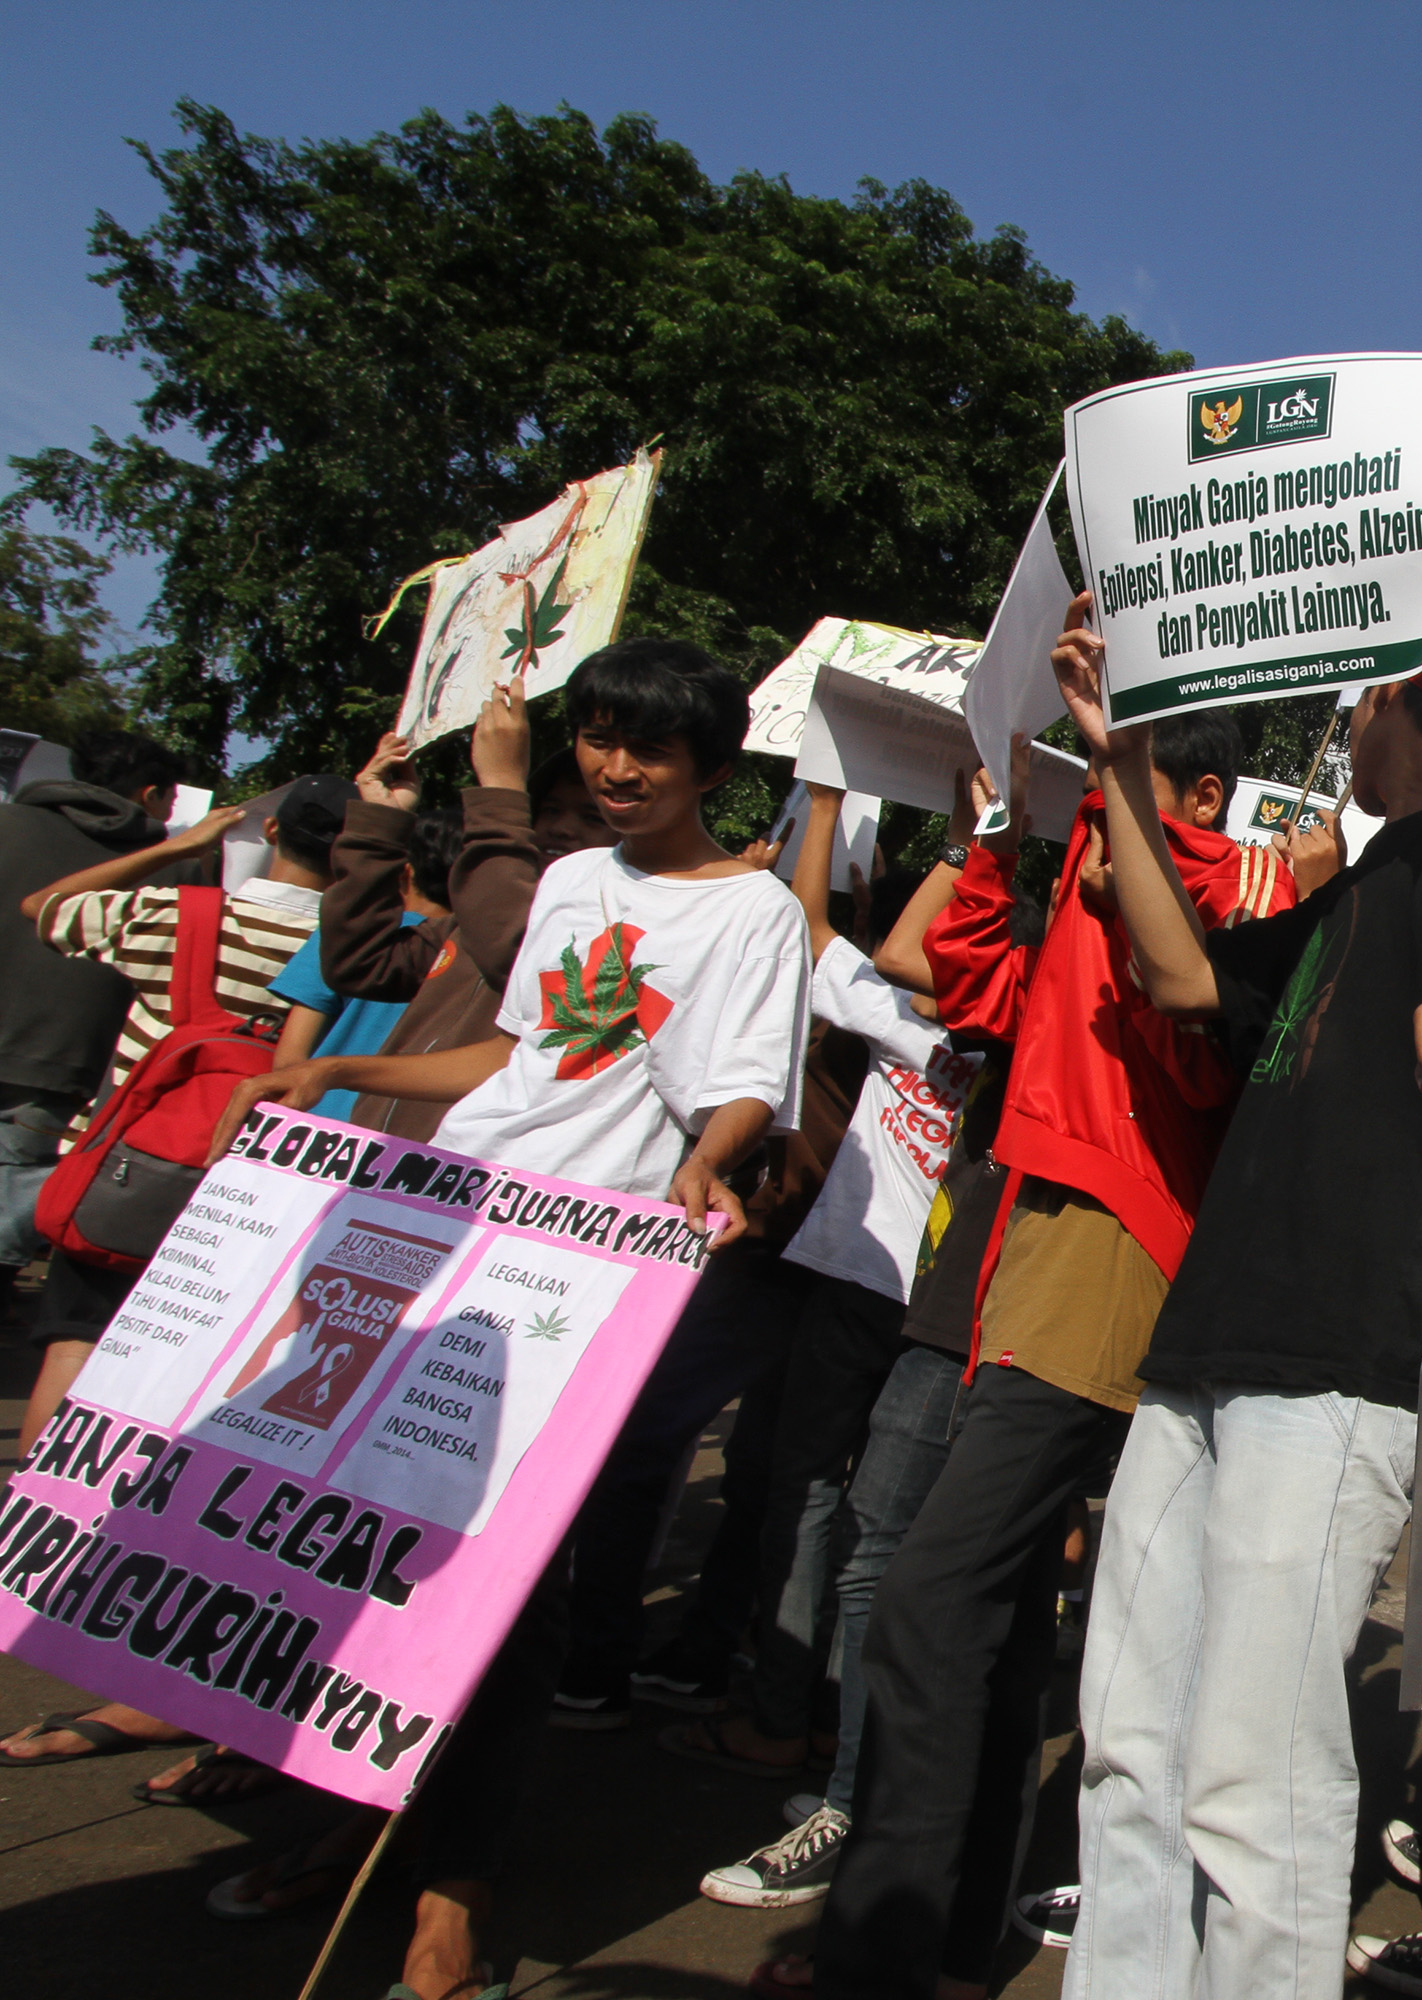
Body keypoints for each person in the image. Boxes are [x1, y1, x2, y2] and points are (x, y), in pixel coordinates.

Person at [213, 636, 811, 2000]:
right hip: (450, 1231)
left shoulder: (753, 911)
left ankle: (455, 1887)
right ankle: (359, 1813)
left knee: (509, 1579)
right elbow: (520, 1056)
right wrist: (335, 1071)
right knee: (377, 1547)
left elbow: (745, 1086)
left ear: (711, 766)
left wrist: (710, 1159)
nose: (616, 766)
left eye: (649, 747)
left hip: (588, 1274)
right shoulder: (573, 880)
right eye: (598, 736)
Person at [1049, 482, 1422, 1998]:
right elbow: (1183, 979)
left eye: (1361, 698)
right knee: (1129, 1756)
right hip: (1204, 1353)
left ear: (1418, 704)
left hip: (1336, 1364)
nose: (1342, 723)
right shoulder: (1359, 884)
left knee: (1252, 1781)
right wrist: (1119, 761)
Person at [793, 707, 1291, 2000]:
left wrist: (1118, 868)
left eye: (1123, 761)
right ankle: (954, 1943)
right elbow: (969, 984)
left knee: (930, 1599)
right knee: (996, 1612)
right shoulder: (1083, 863)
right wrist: (999, 835)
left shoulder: (1241, 875)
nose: (1093, 778)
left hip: (1112, 1239)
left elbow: (1203, 1047)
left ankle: (878, 1952)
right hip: (1024, 1232)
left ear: (1199, 791)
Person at [670, 773, 991, 1906]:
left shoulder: (914, 1008)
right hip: (930, 1297)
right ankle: (826, 1725)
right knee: (875, 1529)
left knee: (817, 1500)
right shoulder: (987, 1020)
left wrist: (828, 803)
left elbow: (814, 933)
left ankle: (785, 1716)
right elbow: (823, 938)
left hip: (873, 1287)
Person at [0, 768, 342, 1773]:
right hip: (243, 1198)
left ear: (270, 831)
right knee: (190, 1381)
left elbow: (47, 910)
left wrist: (179, 848)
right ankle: (145, 1566)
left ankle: (42, 1538)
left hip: (128, 1176)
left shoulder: (177, 915)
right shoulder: (350, 948)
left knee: (74, 1341)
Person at [312, 691, 617, 1143]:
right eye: (550, 810)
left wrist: (500, 787)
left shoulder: (605, 935)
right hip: (379, 1155)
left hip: (471, 1171)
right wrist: (379, 824)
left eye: (591, 817)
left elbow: (514, 954)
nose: (560, 827)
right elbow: (360, 964)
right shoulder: (468, 919)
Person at [0, 730, 191, 1349]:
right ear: (151, 794)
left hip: (47, 1053)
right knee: (17, 1187)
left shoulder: (8, 824)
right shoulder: (169, 863)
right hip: (61, 1057)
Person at [266, 801, 458, 1119]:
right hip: (410, 1133)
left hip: (316, 1123)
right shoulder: (480, 952)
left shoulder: (350, 935)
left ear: (404, 872)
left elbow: (289, 1059)